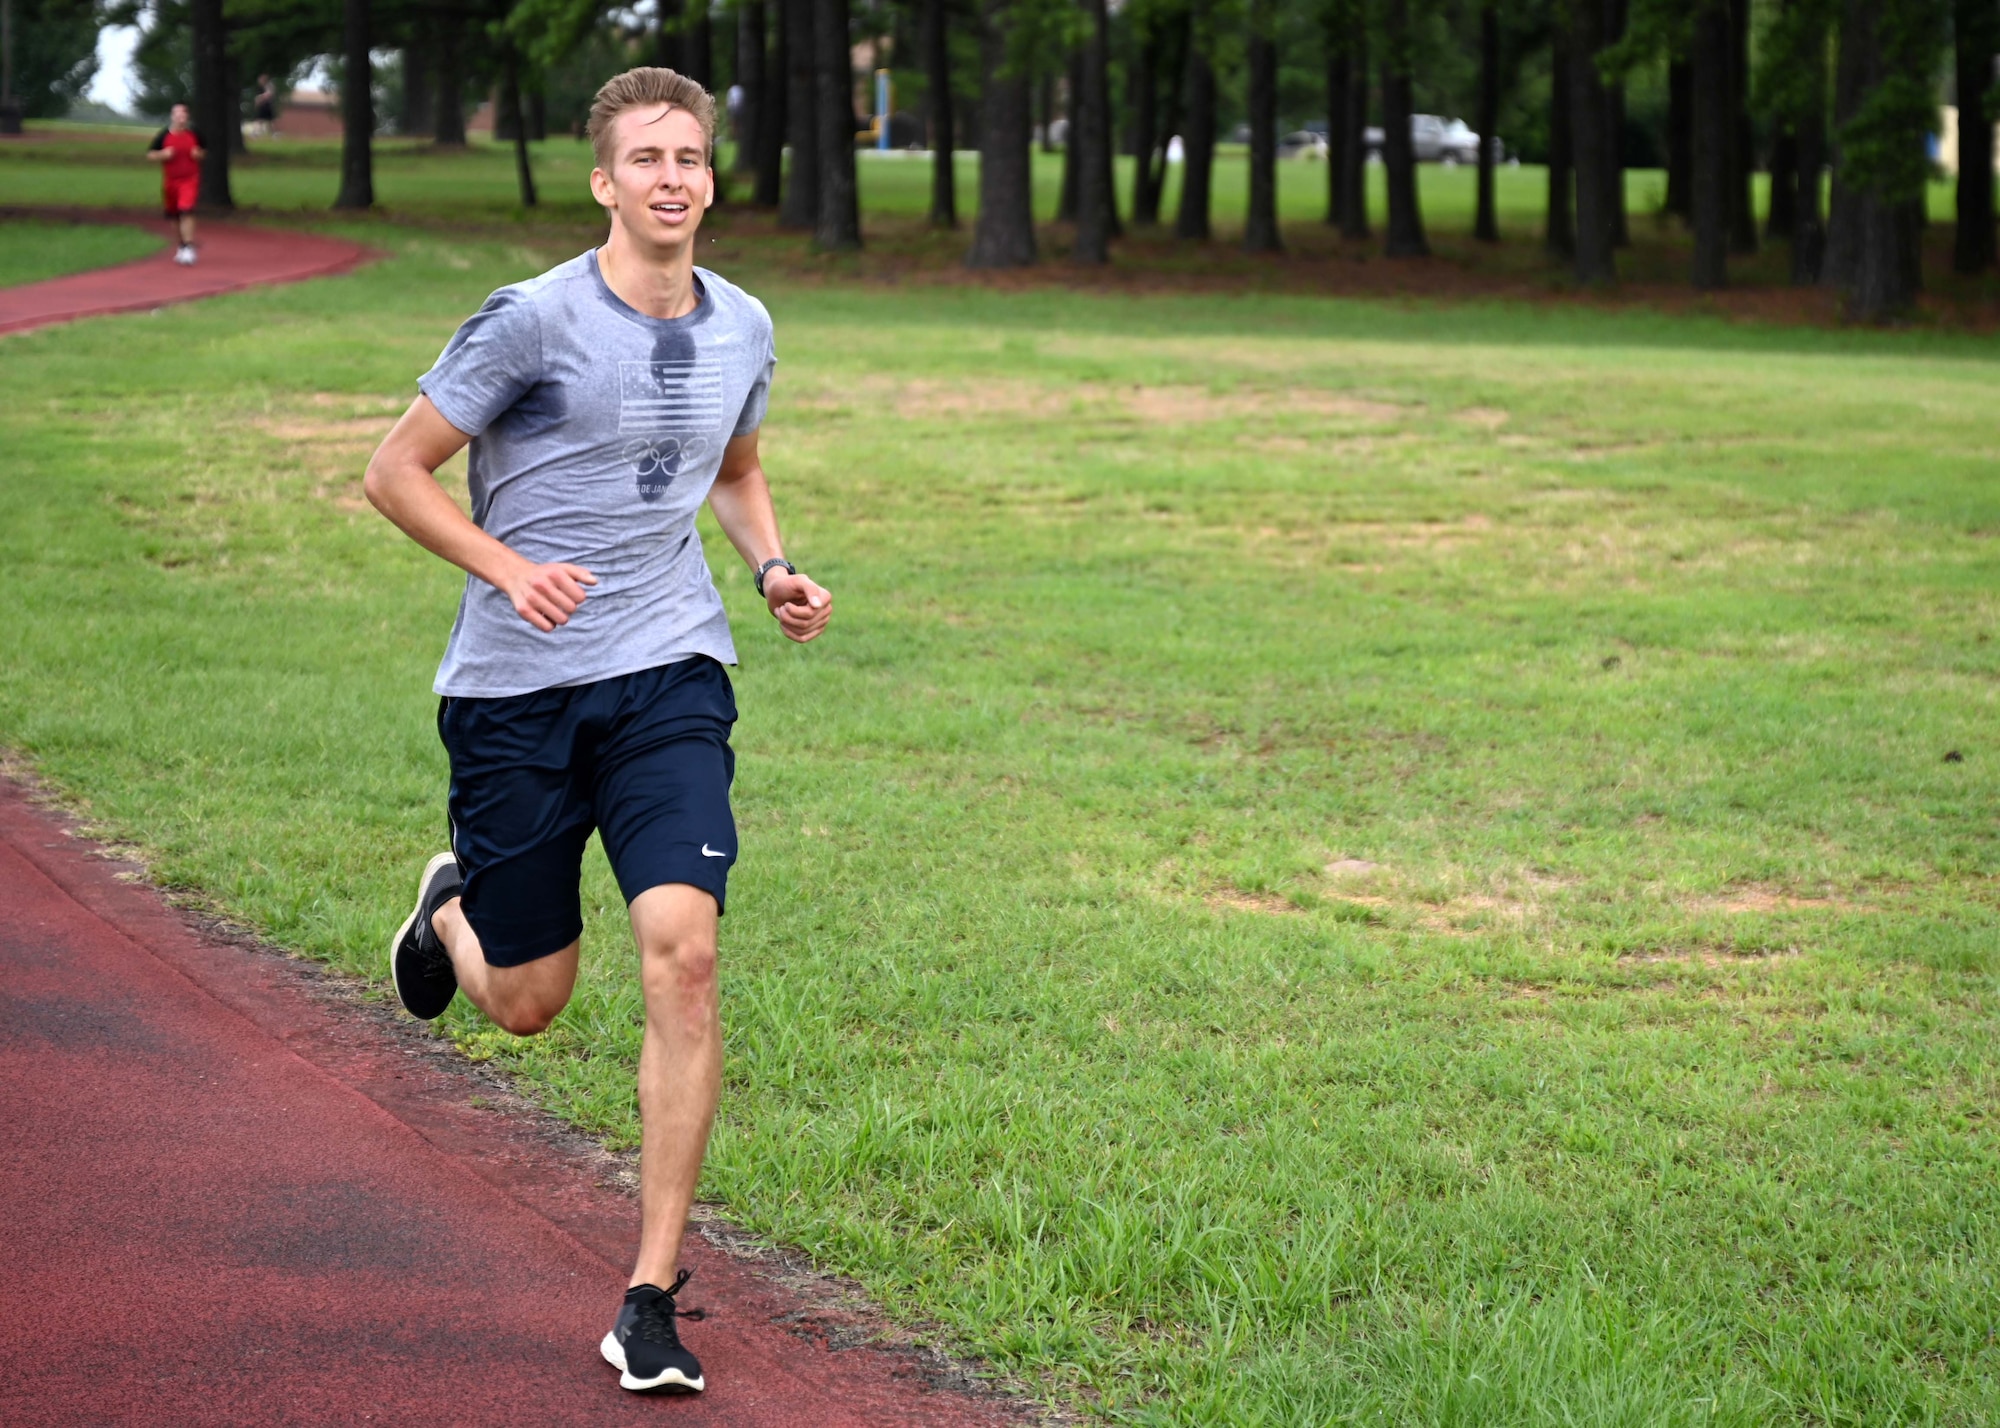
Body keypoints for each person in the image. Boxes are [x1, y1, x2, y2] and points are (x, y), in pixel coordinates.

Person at [363, 66, 832, 1396]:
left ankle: (650, 1295)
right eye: (647, 157)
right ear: (604, 182)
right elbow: (393, 470)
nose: (674, 176)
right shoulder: (529, 321)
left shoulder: (744, 325)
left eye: (692, 155)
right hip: (516, 687)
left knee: (683, 954)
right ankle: (452, 909)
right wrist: (507, 568)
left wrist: (774, 569)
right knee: (527, 1003)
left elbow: (735, 472)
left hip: (670, 669)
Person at [147, 103, 205, 265]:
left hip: (190, 180)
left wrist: (198, 154)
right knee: (174, 216)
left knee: (186, 210)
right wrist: (162, 155)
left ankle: (188, 247)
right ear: (172, 116)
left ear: (187, 117)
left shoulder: (195, 133)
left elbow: (204, 151)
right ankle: (181, 245)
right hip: (171, 181)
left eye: (183, 115)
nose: (181, 118)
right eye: (177, 115)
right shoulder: (164, 135)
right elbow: (150, 155)